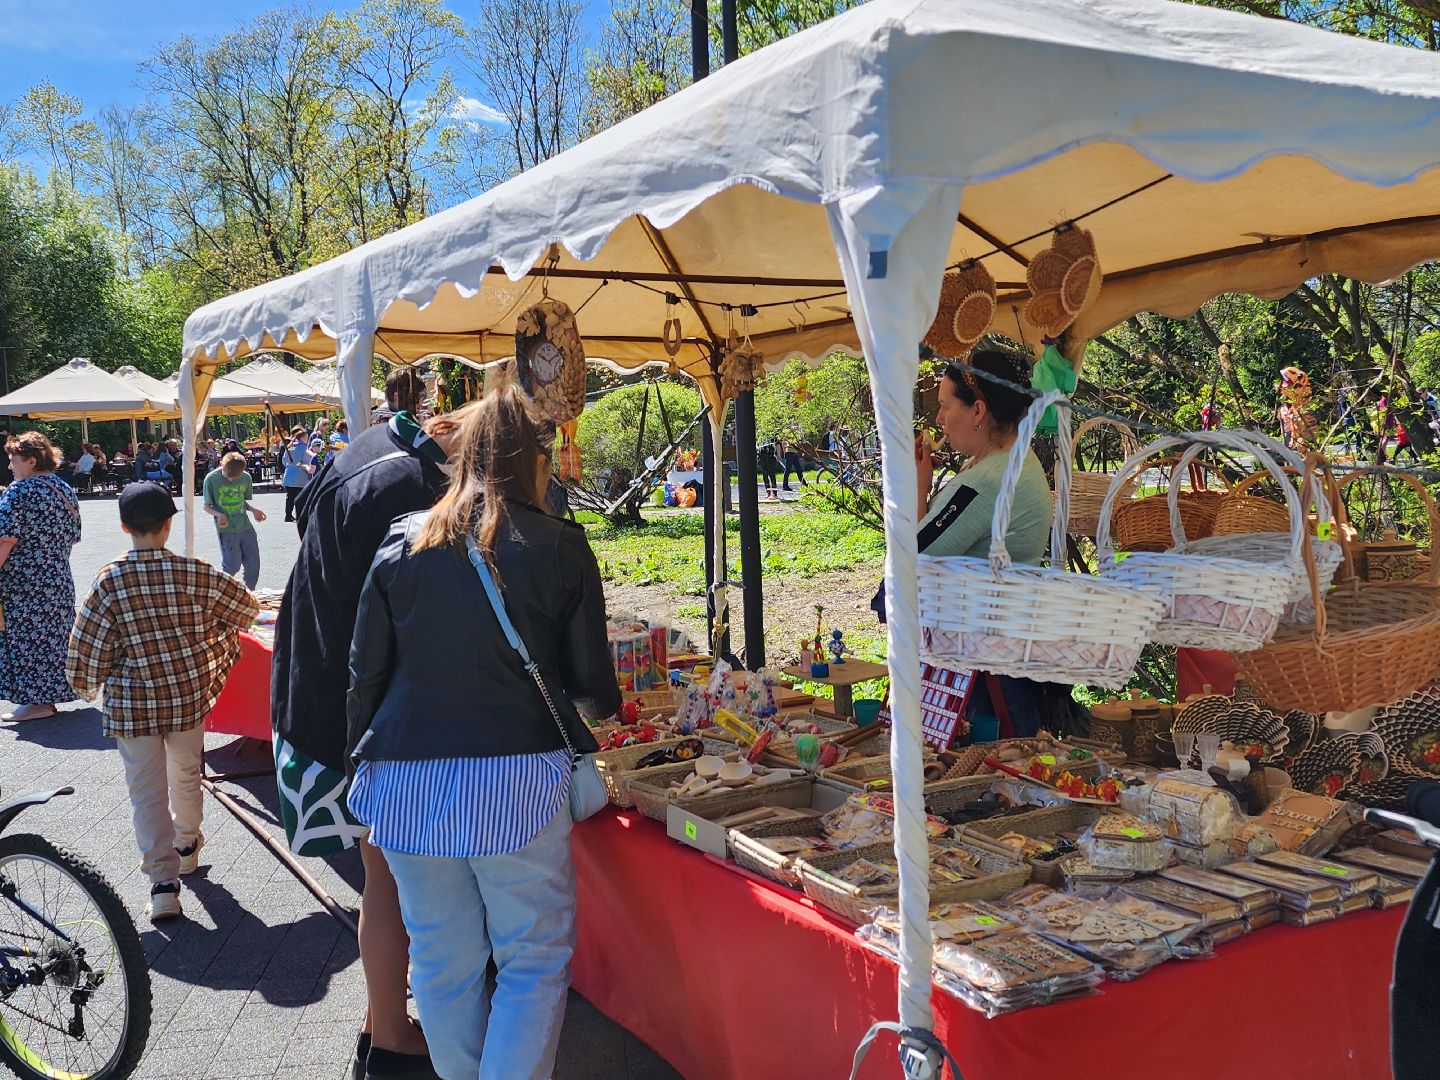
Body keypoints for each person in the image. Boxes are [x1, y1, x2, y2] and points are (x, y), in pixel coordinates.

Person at [347, 387, 619, 1080]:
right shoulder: (559, 543)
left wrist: (361, 768)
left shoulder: (401, 540)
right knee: (532, 957)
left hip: (406, 777)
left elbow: (365, 672)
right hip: (518, 776)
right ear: (537, 456)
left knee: (442, 959)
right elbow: (593, 686)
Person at [272, 400, 458, 1080]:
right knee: (388, 878)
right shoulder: (410, 489)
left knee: (384, 875)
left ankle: (381, 1019)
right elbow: (415, 613)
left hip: (319, 689)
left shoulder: (373, 445)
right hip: (355, 713)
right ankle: (391, 1043)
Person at [66, 482, 258, 922]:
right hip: (188, 696)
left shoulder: (109, 580)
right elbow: (245, 609)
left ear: (122, 526)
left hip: (132, 706)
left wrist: (88, 686)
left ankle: (163, 885)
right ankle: (187, 845)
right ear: (169, 524)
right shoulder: (196, 571)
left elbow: (86, 654)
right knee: (188, 775)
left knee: (145, 793)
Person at [899, 350, 1073, 737]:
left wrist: (914, 488)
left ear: (978, 410)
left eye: (945, 406)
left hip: (980, 676)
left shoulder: (986, 481)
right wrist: (922, 484)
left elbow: (907, 559)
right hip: (998, 654)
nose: (940, 420)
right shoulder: (1010, 463)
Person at [0, 432, 82, 722]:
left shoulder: (19, 491)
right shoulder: (63, 489)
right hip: (58, 578)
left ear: (31, 460)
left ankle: (37, 703)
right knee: (53, 640)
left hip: (24, 582)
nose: (10, 467)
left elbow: (5, 539)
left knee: (28, 640)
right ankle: (45, 700)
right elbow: (74, 536)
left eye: (13, 460)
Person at [203, 452, 266, 589]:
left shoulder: (246, 478)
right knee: (232, 565)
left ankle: (250, 593)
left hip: (245, 526)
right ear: (222, 465)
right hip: (227, 529)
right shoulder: (211, 479)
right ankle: (223, 591)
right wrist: (218, 515)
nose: (231, 480)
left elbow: (241, 501)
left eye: (235, 477)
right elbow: (206, 506)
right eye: (228, 476)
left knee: (253, 563)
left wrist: (254, 510)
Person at [281, 428, 314, 523]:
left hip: (289, 475)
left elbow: (284, 461)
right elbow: (308, 461)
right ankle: (300, 515)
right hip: (300, 476)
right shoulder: (304, 448)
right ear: (303, 438)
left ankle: (288, 515)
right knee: (301, 497)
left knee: (290, 497)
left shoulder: (289, 447)